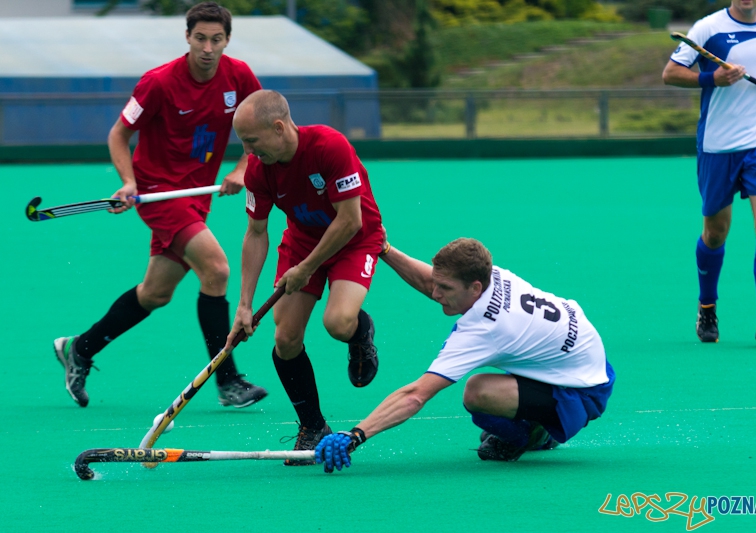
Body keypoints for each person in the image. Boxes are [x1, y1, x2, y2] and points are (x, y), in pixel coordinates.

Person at [54, 2, 268, 409]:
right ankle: (228, 381)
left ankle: (79, 348)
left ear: (227, 40)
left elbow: (259, 126)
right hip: (157, 191)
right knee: (217, 270)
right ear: (187, 37)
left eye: (216, 39)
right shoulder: (158, 83)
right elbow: (119, 134)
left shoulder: (239, 76)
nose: (208, 48)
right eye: (200, 38)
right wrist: (128, 181)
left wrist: (242, 167)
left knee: (155, 293)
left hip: (196, 195)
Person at [314, 237, 615, 472]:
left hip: (582, 390)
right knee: (492, 398)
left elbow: (416, 395)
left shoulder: (485, 330)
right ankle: (533, 419)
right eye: (437, 283)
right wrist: (385, 249)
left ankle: (534, 435)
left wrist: (356, 435)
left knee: (478, 393)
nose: (435, 294)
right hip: (582, 360)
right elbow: (432, 282)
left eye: (445, 288)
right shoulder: (492, 275)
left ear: (474, 287)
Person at [225, 89, 384, 465]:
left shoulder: (330, 146)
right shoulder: (258, 170)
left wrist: (307, 268)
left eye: (252, 140)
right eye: (243, 142)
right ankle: (313, 426)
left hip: (354, 240)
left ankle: (360, 333)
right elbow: (256, 233)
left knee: (338, 323)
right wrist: (244, 305)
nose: (247, 151)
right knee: (285, 338)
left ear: (279, 128)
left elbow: (350, 220)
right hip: (302, 242)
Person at [663, 0, 756, 343]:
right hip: (717, 145)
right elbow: (671, 73)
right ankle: (707, 306)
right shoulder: (707, 28)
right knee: (715, 233)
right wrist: (712, 78)